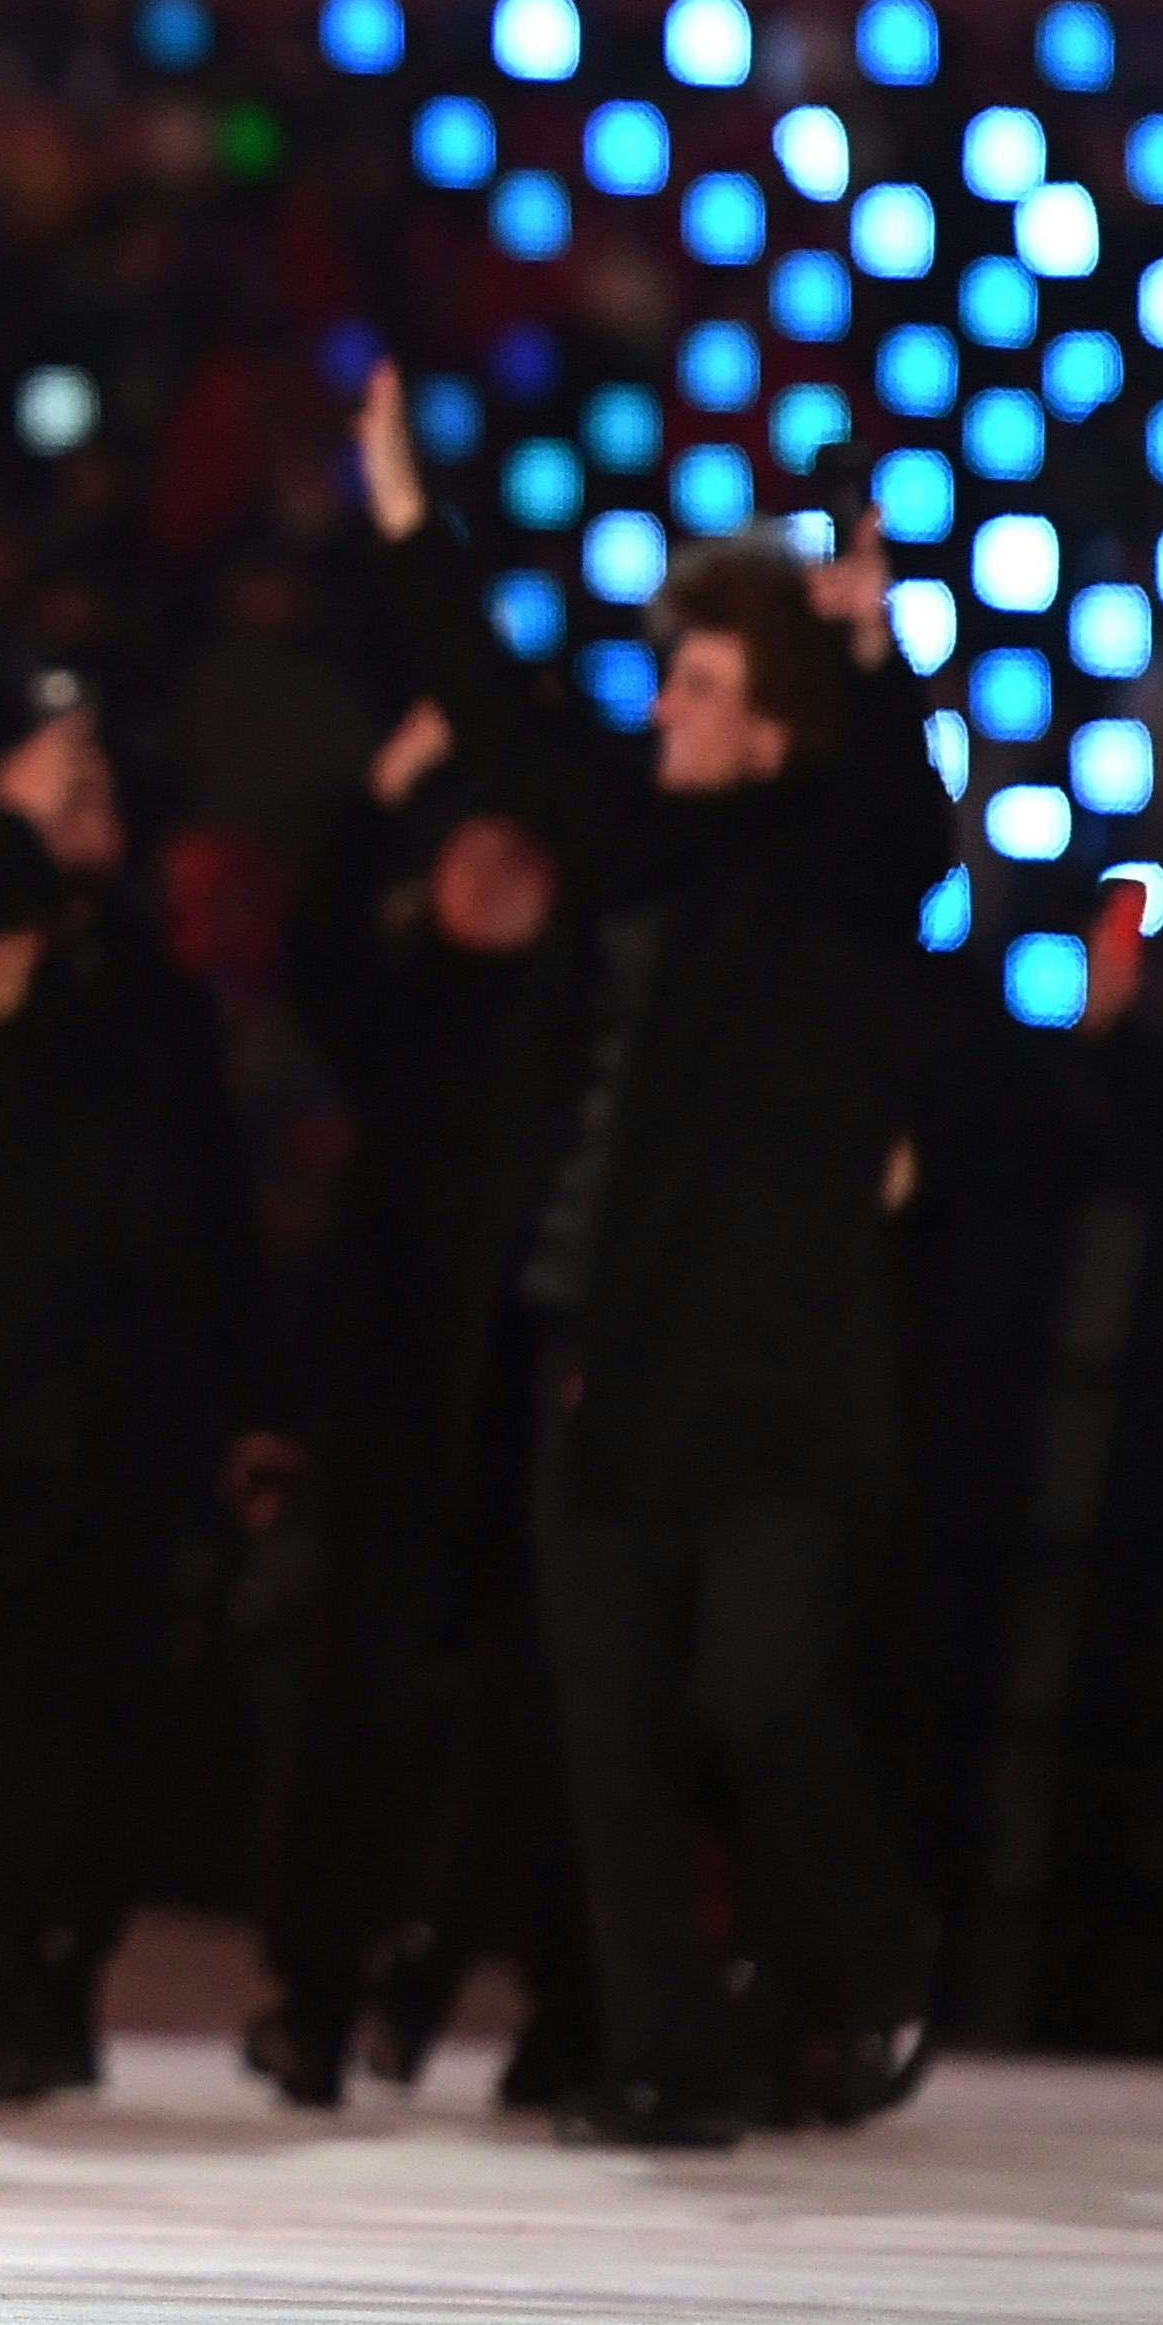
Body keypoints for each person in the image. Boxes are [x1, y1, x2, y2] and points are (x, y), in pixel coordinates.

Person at [352, 362, 948, 2146]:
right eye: (670, 677)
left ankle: (876, 1938)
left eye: (702, 687)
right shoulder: (628, 845)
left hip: (766, 1374)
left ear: (776, 724)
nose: (667, 708)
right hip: (596, 1352)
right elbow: (501, 716)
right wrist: (405, 521)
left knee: (753, 1692)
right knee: (604, 1737)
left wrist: (878, 647)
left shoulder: (823, 869)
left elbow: (901, 827)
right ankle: (671, 2060)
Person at [0, 672, 271, 2104]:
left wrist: (246, 1401)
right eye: (57, 778)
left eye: (97, 778)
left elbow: (205, 1210)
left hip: (114, 1415)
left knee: (81, 1714)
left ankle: (34, 1968)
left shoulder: (147, 990)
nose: (87, 797)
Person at [247, 691, 603, 2111]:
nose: (485, 869)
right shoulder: (403, 1014)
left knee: (535, 1737)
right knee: (360, 1717)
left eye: (515, 850)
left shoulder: (585, 1032)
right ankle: (323, 1999)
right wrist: (380, 795)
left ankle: (474, 1986)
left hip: (540, 1422)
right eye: (463, 850)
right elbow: (314, 950)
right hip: (397, 1422)